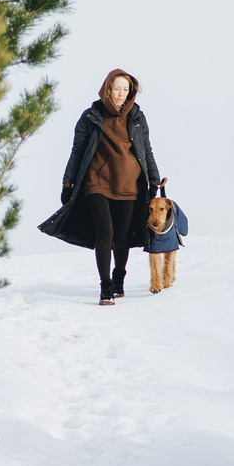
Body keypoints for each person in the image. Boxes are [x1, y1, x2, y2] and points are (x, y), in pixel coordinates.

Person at [40, 67, 162, 304]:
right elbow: (77, 151)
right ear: (107, 88)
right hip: (96, 181)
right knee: (105, 232)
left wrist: (154, 180)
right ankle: (105, 287)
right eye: (116, 88)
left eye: (125, 90)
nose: (120, 94)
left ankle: (119, 278)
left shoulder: (137, 116)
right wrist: (68, 183)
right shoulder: (91, 116)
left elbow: (146, 149)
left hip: (130, 182)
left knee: (123, 236)